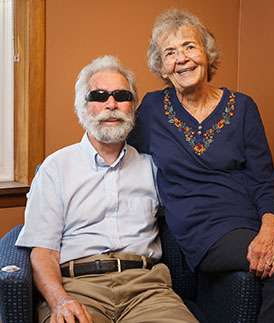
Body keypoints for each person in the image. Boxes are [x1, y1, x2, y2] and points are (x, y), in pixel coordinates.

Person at [128, 8, 274, 323]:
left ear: (206, 53)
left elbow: (264, 180)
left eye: (190, 47)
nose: (182, 58)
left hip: (251, 218)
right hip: (203, 230)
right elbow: (114, 145)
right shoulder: (153, 109)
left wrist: (269, 228)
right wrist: (62, 173)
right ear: (162, 67)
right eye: (170, 52)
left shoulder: (244, 107)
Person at [16, 55, 198, 323]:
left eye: (121, 95)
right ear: (83, 107)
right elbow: (43, 252)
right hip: (77, 288)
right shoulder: (55, 168)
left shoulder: (154, 167)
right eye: (99, 96)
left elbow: (195, 208)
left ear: (132, 108)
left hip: (146, 291)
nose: (111, 104)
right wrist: (60, 301)